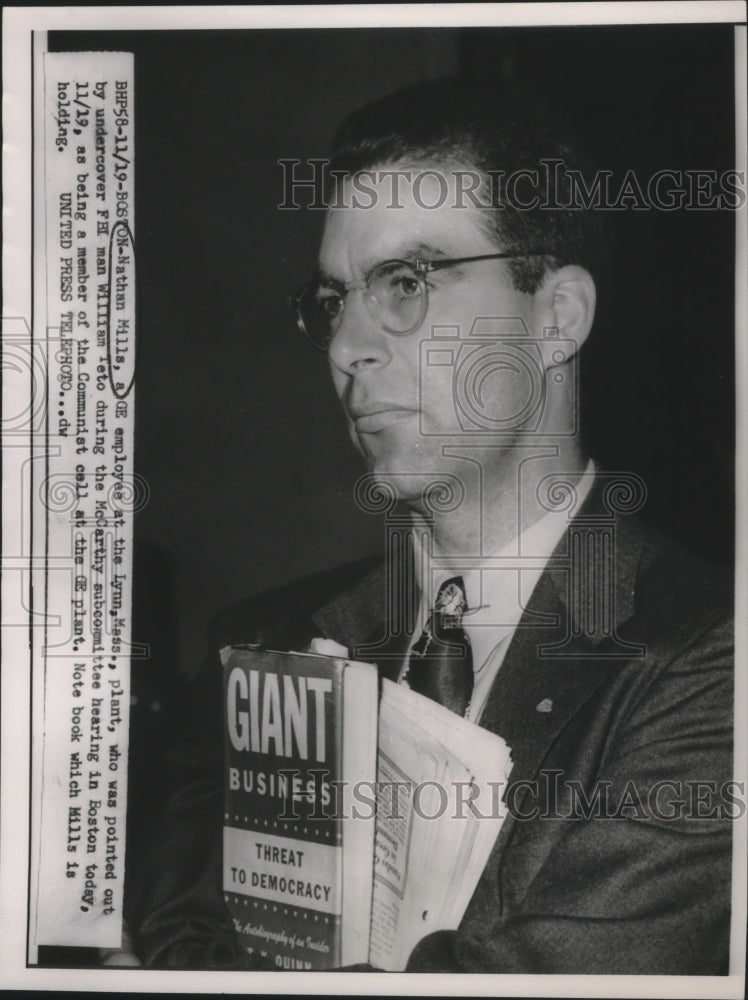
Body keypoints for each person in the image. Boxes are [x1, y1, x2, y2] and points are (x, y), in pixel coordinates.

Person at [126, 78, 734, 974]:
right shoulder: (265, 643)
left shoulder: (705, 654)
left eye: (406, 281)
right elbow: (186, 946)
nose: (345, 348)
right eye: (334, 299)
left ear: (556, 317)